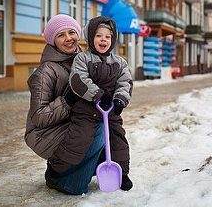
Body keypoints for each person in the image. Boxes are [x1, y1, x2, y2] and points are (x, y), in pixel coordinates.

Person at [49, 16, 133, 191]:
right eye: (98, 36)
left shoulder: (119, 62)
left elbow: (125, 82)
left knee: (118, 140)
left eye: (107, 37)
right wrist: (98, 95)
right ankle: (57, 169)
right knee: (78, 140)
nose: (103, 40)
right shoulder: (82, 59)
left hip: (110, 111)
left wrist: (120, 99)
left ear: (113, 40)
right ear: (89, 38)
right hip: (86, 110)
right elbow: (78, 80)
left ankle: (122, 173)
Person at [25, 14, 105, 195]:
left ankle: (66, 169)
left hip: (72, 123)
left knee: (108, 126)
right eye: (61, 35)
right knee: (96, 129)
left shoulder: (85, 62)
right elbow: (39, 117)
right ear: (53, 40)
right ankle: (61, 177)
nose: (68, 38)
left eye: (71, 32)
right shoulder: (45, 72)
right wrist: (68, 100)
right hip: (43, 133)